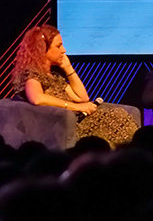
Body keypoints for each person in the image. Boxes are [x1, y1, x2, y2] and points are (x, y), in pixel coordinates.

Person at [9, 24, 137, 147]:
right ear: (43, 50)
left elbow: (82, 98)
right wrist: (75, 107)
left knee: (119, 116)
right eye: (58, 46)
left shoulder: (54, 77)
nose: (63, 50)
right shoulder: (32, 74)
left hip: (75, 120)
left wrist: (68, 68)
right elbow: (37, 98)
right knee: (117, 120)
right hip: (65, 125)